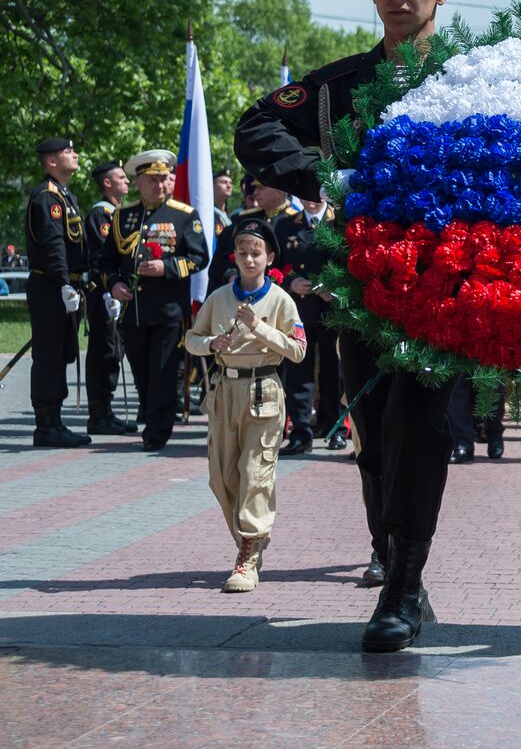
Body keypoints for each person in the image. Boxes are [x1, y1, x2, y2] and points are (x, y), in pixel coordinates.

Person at [236, 0, 456, 652]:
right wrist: (316, 175)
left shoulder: (476, 78)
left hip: (446, 290)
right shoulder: (336, 88)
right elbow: (256, 122)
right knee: (372, 442)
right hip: (359, 288)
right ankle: (398, 566)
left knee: (418, 429)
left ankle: (399, 588)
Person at [185, 217, 306, 592]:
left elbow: (299, 350)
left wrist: (260, 328)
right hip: (225, 392)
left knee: (256, 473)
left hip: (263, 392)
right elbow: (191, 338)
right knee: (222, 476)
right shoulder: (220, 298)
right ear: (234, 257)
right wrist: (210, 346)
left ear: (270, 257)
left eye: (256, 253)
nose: (249, 260)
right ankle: (248, 539)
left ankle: (248, 552)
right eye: (242, 253)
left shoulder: (280, 300)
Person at [98, 149, 210, 451]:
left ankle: (157, 432)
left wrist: (168, 267)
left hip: (168, 309)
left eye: (164, 179)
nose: (160, 185)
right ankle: (152, 418)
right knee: (142, 372)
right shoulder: (122, 216)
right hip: (134, 311)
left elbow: (200, 257)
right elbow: (107, 261)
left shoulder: (184, 215)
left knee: (162, 372)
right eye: (153, 180)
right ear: (139, 182)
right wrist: (115, 284)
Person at [25, 138, 88, 447]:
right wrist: (64, 281)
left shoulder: (64, 195)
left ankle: (56, 420)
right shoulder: (46, 198)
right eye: (67, 151)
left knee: (62, 353)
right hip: (50, 286)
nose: (74, 155)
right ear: (51, 162)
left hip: (63, 287)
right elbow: (53, 244)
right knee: (49, 356)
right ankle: (46, 425)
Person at [276, 194, 348, 454]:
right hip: (299, 309)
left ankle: (336, 429)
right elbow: (274, 265)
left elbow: (350, 263)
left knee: (334, 371)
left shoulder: (339, 221)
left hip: (332, 310)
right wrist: (290, 282)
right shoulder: (286, 224)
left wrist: (336, 286)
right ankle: (301, 432)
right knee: (299, 371)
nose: (311, 200)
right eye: (304, 194)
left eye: (316, 194)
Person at [84, 160, 135, 436]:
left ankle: (106, 411)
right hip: (103, 294)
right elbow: (101, 258)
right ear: (107, 183)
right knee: (104, 352)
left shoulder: (117, 212)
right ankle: (98, 413)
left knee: (114, 351)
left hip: (115, 295)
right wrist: (108, 291)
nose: (126, 181)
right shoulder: (101, 214)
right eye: (120, 177)